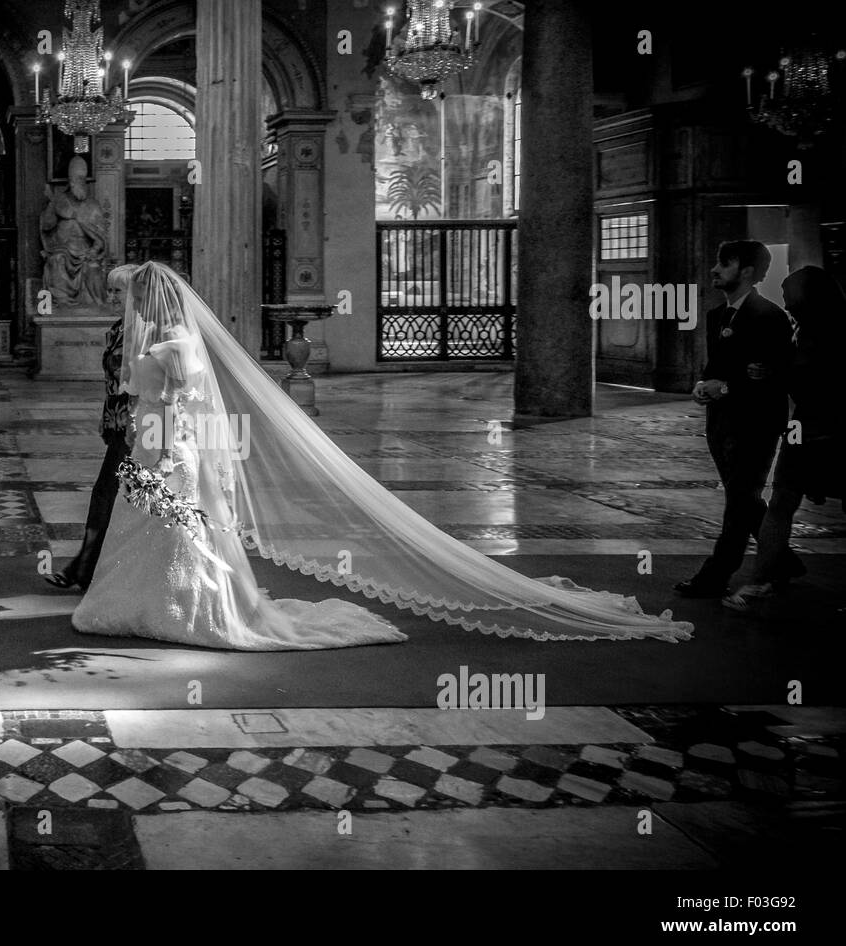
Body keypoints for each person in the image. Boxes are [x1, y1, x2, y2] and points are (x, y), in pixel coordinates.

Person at [70, 262, 692, 650]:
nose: (124, 309)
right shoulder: (170, 342)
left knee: (175, 535)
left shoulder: (170, 348)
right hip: (164, 455)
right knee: (165, 534)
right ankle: (160, 605)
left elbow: (175, 415)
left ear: (147, 302)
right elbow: (169, 411)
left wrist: (155, 465)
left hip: (167, 457)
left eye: (130, 300)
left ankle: (185, 610)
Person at [674, 240, 802, 599]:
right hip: (720, 425)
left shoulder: (770, 317)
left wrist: (726, 388)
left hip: (755, 424)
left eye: (723, 263)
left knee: (739, 500)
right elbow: (715, 368)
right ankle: (784, 559)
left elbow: (778, 376)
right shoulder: (718, 315)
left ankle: (716, 575)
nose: (715, 269)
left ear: (746, 271)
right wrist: (703, 385)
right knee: (743, 497)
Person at [724, 266, 846, 612]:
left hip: (836, 431)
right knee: (780, 503)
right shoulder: (802, 331)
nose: (787, 303)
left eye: (791, 296)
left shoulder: (833, 333)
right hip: (805, 429)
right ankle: (761, 580)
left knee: (782, 504)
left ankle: (762, 580)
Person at [46, 263, 140, 590]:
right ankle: (89, 569)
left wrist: (134, 422)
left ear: (135, 295)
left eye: (118, 291)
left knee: (108, 495)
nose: (111, 296)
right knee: (112, 496)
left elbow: (146, 386)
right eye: (111, 290)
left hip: (136, 426)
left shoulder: (145, 333)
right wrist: (107, 421)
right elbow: (111, 383)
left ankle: (83, 570)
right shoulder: (118, 329)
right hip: (116, 423)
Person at [39, 155, 108, 307]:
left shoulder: (93, 205)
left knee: (93, 268)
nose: (78, 184)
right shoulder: (59, 201)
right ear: (69, 182)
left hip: (85, 251)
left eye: (81, 180)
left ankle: (95, 306)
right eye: (75, 180)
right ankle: (61, 304)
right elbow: (47, 227)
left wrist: (94, 251)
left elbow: (100, 237)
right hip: (63, 249)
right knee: (56, 261)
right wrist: (53, 207)